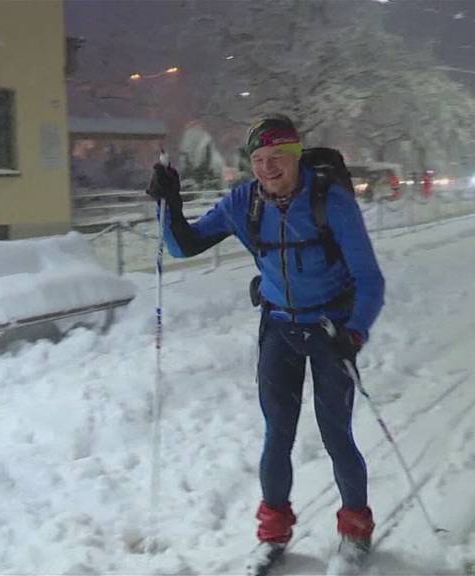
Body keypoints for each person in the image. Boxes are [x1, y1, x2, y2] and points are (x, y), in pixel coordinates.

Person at [146, 114, 385, 566]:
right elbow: (183, 246)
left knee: (337, 435)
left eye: (277, 157)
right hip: (278, 328)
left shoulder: (329, 201)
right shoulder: (243, 202)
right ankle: (273, 535)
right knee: (278, 434)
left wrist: (353, 333)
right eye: (258, 159)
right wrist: (170, 202)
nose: (267, 168)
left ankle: (355, 531)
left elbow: (369, 279)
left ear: (296, 158)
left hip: (331, 329)